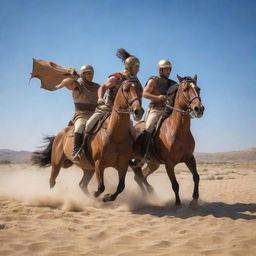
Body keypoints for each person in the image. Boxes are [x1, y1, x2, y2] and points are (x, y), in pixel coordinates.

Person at [84, 48, 141, 135]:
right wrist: (100, 98)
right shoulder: (117, 77)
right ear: (130, 67)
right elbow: (102, 87)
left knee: (133, 134)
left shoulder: (134, 80)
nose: (138, 70)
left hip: (123, 112)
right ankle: (81, 148)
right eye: (137, 67)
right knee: (88, 125)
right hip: (108, 108)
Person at [57, 65, 100, 162]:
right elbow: (66, 83)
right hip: (81, 115)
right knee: (80, 126)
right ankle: (76, 151)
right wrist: (74, 77)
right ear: (83, 74)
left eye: (92, 73)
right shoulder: (77, 85)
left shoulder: (97, 86)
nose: (91, 75)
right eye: (88, 73)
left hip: (96, 114)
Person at [141, 59, 179, 159]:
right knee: (149, 126)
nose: (169, 72)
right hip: (156, 109)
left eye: (169, 69)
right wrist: (158, 98)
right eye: (166, 69)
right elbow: (144, 94)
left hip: (169, 111)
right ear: (161, 70)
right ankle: (144, 152)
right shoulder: (153, 80)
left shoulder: (173, 84)